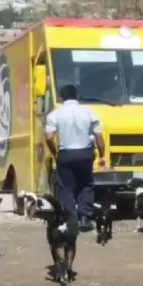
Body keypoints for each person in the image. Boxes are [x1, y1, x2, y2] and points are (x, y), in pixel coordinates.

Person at [44, 84, 106, 232]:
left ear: (60, 97)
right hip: (85, 154)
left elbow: (48, 137)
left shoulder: (55, 114)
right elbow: (99, 137)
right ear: (77, 96)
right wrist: (102, 155)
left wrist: (55, 153)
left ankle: (71, 219)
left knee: (66, 188)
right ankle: (85, 217)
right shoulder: (89, 112)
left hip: (65, 154)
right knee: (86, 184)